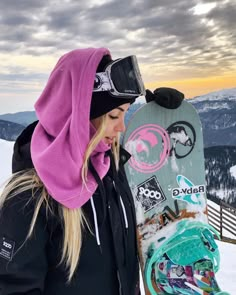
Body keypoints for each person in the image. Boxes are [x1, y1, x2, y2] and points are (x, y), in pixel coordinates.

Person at [0, 48, 146, 295]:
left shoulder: (110, 169)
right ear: (78, 115)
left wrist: (163, 117)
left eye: (125, 113)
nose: (122, 127)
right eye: (113, 115)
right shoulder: (29, 199)